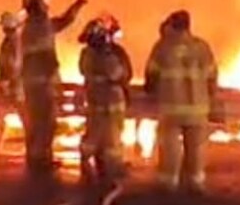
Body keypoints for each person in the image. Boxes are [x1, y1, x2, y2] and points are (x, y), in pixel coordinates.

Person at [144, 10, 217, 193]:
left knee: (170, 145)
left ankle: (169, 182)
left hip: (171, 107)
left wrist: (151, 92)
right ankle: (195, 181)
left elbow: (151, 75)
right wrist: (210, 98)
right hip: (198, 107)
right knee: (197, 146)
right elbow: (212, 76)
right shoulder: (202, 47)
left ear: (171, 25)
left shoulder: (163, 46)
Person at [20, 0, 87, 172]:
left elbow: (62, 22)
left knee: (39, 122)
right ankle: (40, 160)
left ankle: (38, 158)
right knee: (45, 122)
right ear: (37, 5)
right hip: (40, 82)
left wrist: (77, 6)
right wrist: (52, 76)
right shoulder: (39, 25)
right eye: (43, 2)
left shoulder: (34, 24)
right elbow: (61, 24)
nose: (46, 5)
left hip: (34, 81)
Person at [78, 18, 131, 183]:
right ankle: (113, 168)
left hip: (95, 100)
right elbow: (117, 73)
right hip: (110, 102)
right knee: (112, 137)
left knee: (94, 133)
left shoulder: (86, 53)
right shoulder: (105, 56)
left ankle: (88, 161)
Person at [0, 11, 25, 158]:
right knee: (1, 116)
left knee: (1, 115)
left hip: (14, 87)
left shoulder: (13, 42)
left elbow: (13, 63)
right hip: (15, 87)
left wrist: (8, 82)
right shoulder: (13, 40)